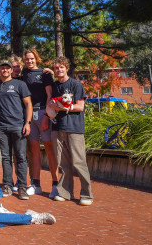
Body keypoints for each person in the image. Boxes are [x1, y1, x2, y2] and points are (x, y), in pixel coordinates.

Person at [43, 56, 93, 206]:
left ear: (67, 68)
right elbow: (52, 104)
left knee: (79, 162)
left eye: (61, 67)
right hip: (57, 128)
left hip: (74, 128)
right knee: (63, 163)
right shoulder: (55, 85)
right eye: (56, 68)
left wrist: (62, 107)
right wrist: (53, 106)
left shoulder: (76, 85)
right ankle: (65, 192)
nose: (59, 70)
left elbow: (80, 107)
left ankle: (86, 195)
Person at [0, 61, 33, 200]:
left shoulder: (20, 84)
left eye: (7, 68)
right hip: (2, 127)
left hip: (18, 126)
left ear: (11, 70)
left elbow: (28, 104)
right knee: (5, 157)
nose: (5, 70)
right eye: (2, 68)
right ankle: (7, 185)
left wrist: (27, 123)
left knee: (21, 156)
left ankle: (22, 186)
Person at [22, 48, 59, 197]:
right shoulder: (23, 74)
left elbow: (50, 95)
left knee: (49, 147)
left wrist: (46, 117)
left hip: (43, 112)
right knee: (33, 149)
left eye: (32, 58)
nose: (29, 61)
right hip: (29, 114)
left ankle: (55, 184)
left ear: (36, 58)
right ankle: (35, 183)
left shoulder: (45, 74)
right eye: (27, 59)